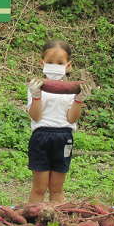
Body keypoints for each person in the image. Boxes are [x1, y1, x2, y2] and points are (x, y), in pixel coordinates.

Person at [26, 40, 92, 203]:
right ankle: (34, 221)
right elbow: (35, 116)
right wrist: (36, 95)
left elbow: (72, 118)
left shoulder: (71, 88)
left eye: (60, 63)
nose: (55, 66)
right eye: (50, 62)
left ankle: (56, 224)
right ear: (42, 63)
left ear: (68, 66)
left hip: (64, 137)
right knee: (39, 187)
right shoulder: (36, 86)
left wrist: (79, 99)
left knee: (57, 188)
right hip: (41, 137)